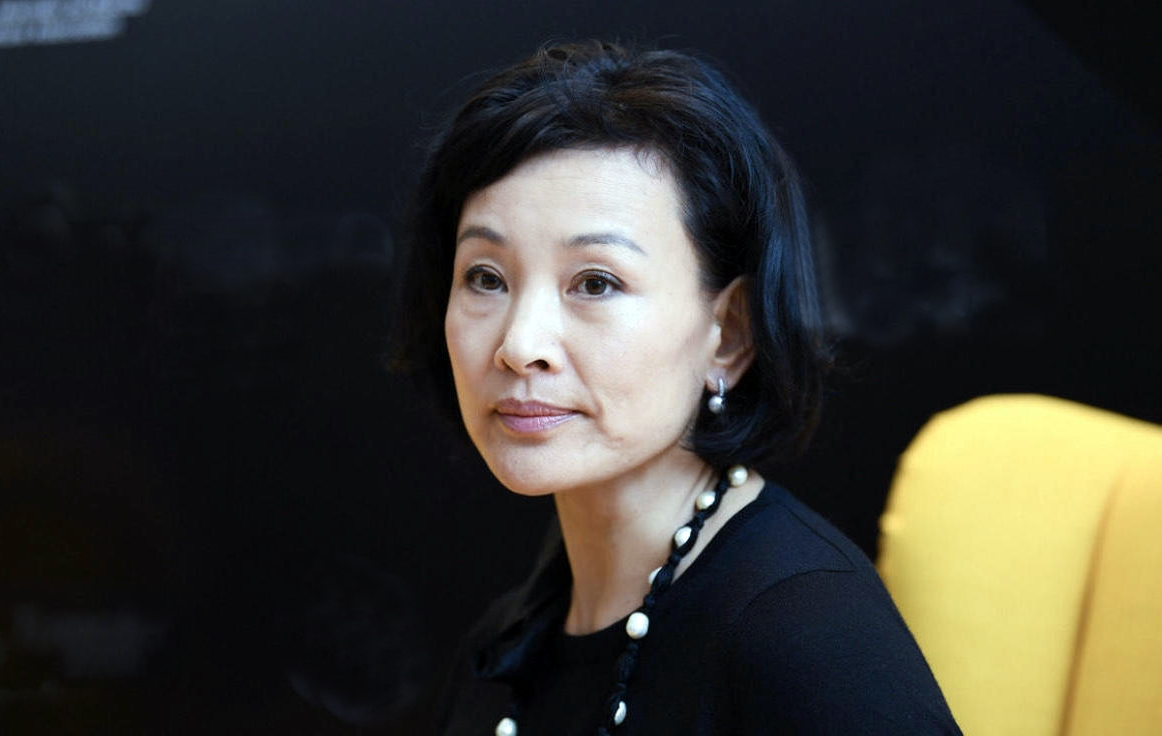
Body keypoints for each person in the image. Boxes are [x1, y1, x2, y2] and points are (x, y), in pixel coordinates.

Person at [393, 40, 960, 735]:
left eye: (595, 282)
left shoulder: (810, 639)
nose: (519, 345)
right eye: (486, 277)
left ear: (730, 334)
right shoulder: (506, 643)